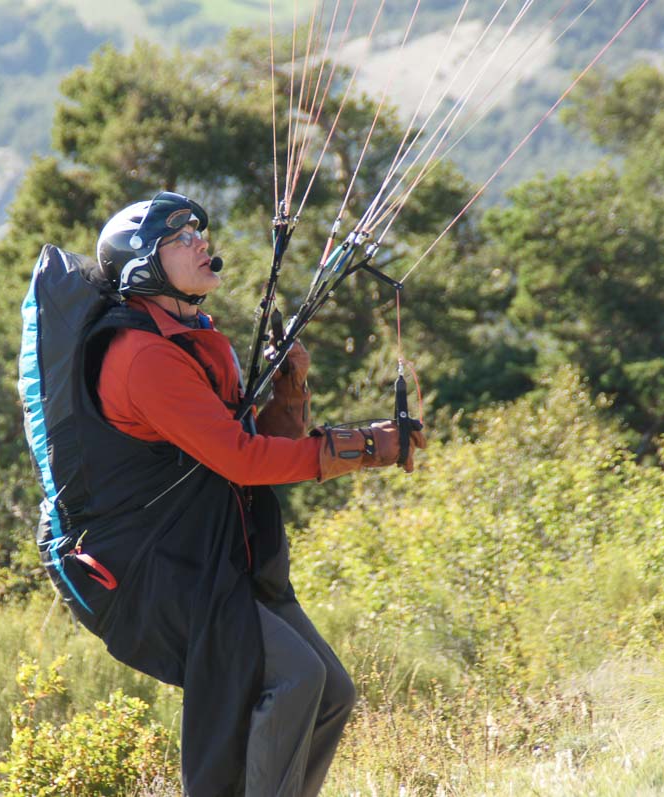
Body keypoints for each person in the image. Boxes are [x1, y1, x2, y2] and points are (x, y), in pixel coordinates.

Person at [31, 191, 425, 797]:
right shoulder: (142, 358)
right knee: (292, 678)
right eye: (180, 239)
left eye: (199, 233)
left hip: (204, 556)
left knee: (331, 692)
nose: (201, 244)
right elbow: (241, 459)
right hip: (146, 574)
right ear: (143, 267)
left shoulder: (190, 337)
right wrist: (369, 447)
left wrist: (290, 393)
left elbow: (247, 445)